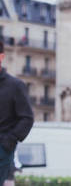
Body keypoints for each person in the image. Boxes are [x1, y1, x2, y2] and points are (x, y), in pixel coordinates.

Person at [0, 41, 34, 184]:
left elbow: (27, 118)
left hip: (1, 149)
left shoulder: (15, 86)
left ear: (1, 57)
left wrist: (9, 140)